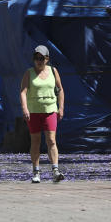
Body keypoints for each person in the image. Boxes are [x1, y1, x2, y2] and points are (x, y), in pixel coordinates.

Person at [19, 44, 65, 183]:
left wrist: (61, 107)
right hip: (34, 111)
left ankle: (55, 170)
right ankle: (36, 171)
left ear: (47, 59)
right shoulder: (29, 73)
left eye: (42, 58)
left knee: (51, 140)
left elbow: (60, 90)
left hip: (50, 110)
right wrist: (25, 108)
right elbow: (23, 92)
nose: (39, 61)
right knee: (36, 140)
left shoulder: (53, 71)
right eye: (36, 58)